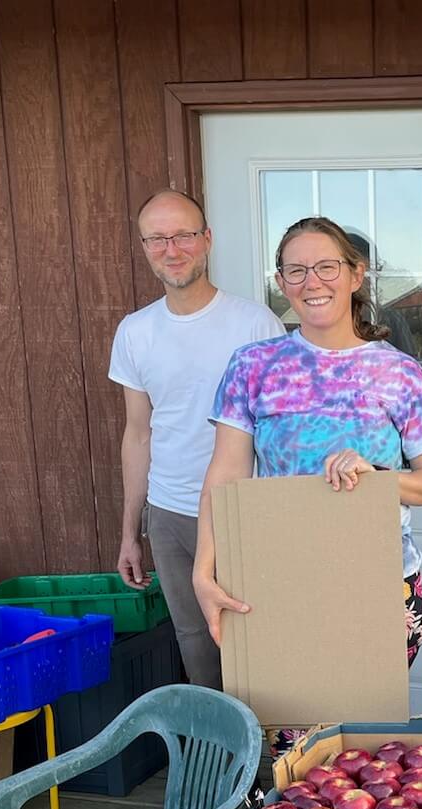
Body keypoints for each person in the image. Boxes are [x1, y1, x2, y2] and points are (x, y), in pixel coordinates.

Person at [192, 214, 422, 671]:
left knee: (368, 737)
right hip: (276, 581)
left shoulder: (400, 373)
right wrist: (204, 571)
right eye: (296, 270)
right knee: (287, 736)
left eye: (327, 267)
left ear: (355, 275)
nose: (312, 281)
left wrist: (377, 479)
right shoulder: (254, 366)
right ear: (282, 282)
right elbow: (225, 476)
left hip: (380, 583)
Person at [109, 189, 283, 689]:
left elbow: (277, 430)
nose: (172, 248)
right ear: (144, 247)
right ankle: (227, 764)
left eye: (184, 234)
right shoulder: (135, 332)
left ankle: (278, 762)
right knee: (196, 643)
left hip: (244, 512)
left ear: (206, 240)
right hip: (170, 515)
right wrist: (130, 531)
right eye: (158, 238)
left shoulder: (255, 324)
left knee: (261, 641)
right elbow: (138, 434)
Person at [343, 229, 420, 360]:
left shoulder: (392, 319)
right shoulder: (326, 322)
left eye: (369, 272)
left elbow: (409, 366)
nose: (361, 279)